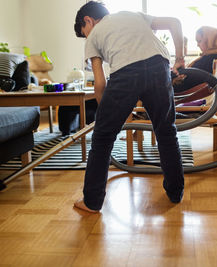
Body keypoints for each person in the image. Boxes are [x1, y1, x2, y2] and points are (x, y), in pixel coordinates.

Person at [73, 1, 185, 213]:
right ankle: (175, 193)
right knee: (166, 131)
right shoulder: (131, 14)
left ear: (88, 21)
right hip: (158, 66)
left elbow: (99, 83)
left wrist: (105, 112)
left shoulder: (94, 37)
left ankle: (92, 202)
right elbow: (174, 22)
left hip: (125, 74)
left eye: (84, 32)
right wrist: (179, 58)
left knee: (103, 138)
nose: (87, 36)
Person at [172, 26, 217, 100]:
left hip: (184, 93)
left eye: (199, 41)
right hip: (188, 91)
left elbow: (192, 81)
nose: (197, 45)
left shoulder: (211, 58)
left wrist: (173, 76)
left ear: (209, 41)